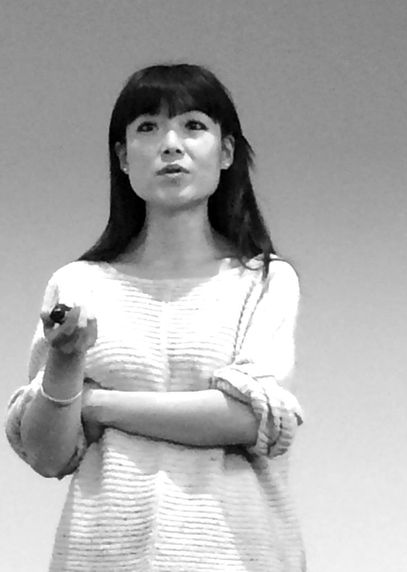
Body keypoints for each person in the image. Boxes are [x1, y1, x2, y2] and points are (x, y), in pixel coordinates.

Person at [5, 63, 305, 571]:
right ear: (123, 157)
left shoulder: (264, 280)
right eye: (148, 127)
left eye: (193, 126)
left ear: (226, 152)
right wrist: (65, 362)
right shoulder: (79, 284)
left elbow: (247, 418)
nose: (171, 144)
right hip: (101, 555)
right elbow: (47, 455)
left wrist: (97, 404)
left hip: (235, 556)